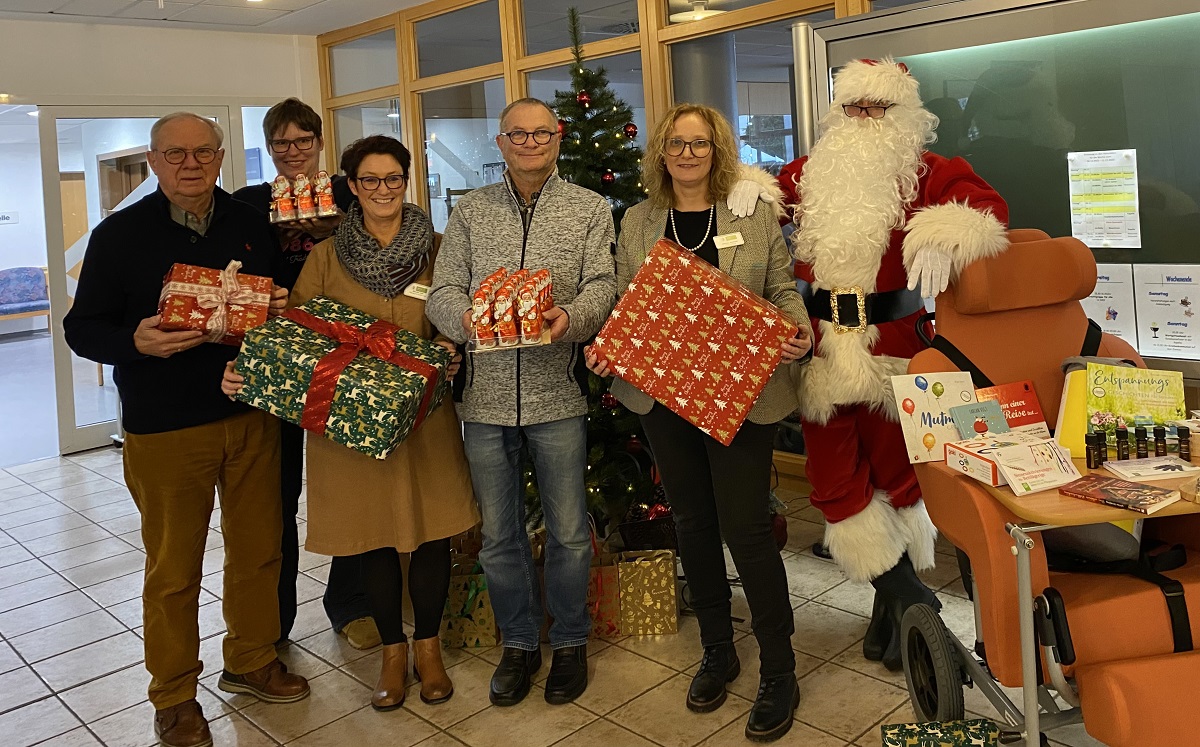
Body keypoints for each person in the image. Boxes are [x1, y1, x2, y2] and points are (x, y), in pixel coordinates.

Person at [732, 58, 1010, 671]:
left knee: (899, 477)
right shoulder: (814, 171)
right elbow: (771, 201)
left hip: (895, 347)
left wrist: (945, 231)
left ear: (903, 113)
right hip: (822, 349)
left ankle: (892, 613)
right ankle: (913, 604)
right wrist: (751, 183)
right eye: (854, 108)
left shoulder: (930, 171)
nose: (863, 120)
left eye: (876, 108)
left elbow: (986, 206)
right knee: (834, 483)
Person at [64, 112, 309, 747]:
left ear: (222, 157)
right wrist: (133, 342)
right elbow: (82, 327)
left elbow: (278, 299)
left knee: (260, 549)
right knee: (174, 569)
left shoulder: (251, 224)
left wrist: (279, 304)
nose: (191, 163)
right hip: (166, 428)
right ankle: (173, 694)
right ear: (153, 161)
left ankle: (252, 658)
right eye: (176, 154)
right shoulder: (118, 236)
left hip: (252, 415)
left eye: (204, 151)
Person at [223, 134, 479, 711]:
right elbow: (303, 333)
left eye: (393, 178)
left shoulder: (438, 250)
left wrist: (446, 348)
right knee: (374, 539)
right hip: (349, 427)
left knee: (435, 530)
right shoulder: (326, 256)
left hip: (424, 417)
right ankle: (393, 653)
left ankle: (430, 649)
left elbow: (454, 314)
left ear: (406, 182)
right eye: (370, 180)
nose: (383, 190)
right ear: (352, 187)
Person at [584, 103, 813, 743]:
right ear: (661, 152)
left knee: (747, 528)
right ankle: (718, 648)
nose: (688, 154)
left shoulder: (751, 213)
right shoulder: (638, 220)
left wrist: (795, 329)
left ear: (718, 151)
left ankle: (780, 668)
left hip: (744, 395)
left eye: (701, 143)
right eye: (677, 144)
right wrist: (608, 343)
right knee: (691, 523)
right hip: (665, 396)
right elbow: (629, 302)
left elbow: (782, 289)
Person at [425, 97, 617, 708]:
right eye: (518, 133)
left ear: (557, 138)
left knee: (568, 534)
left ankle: (569, 643)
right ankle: (517, 645)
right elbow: (443, 289)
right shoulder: (472, 211)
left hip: (557, 395)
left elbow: (603, 286)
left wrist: (572, 318)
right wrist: (472, 321)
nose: (531, 142)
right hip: (482, 401)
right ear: (500, 142)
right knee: (500, 536)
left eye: (542, 132)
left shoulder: (588, 208)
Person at [231, 98, 378, 652]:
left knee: (348, 482)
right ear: (269, 149)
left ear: (320, 141)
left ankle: (352, 603)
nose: (293, 152)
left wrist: (337, 229)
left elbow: (384, 254)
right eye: (281, 144)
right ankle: (274, 620)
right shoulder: (249, 204)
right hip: (278, 362)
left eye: (303, 141)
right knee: (276, 493)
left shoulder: (349, 193)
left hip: (346, 357)